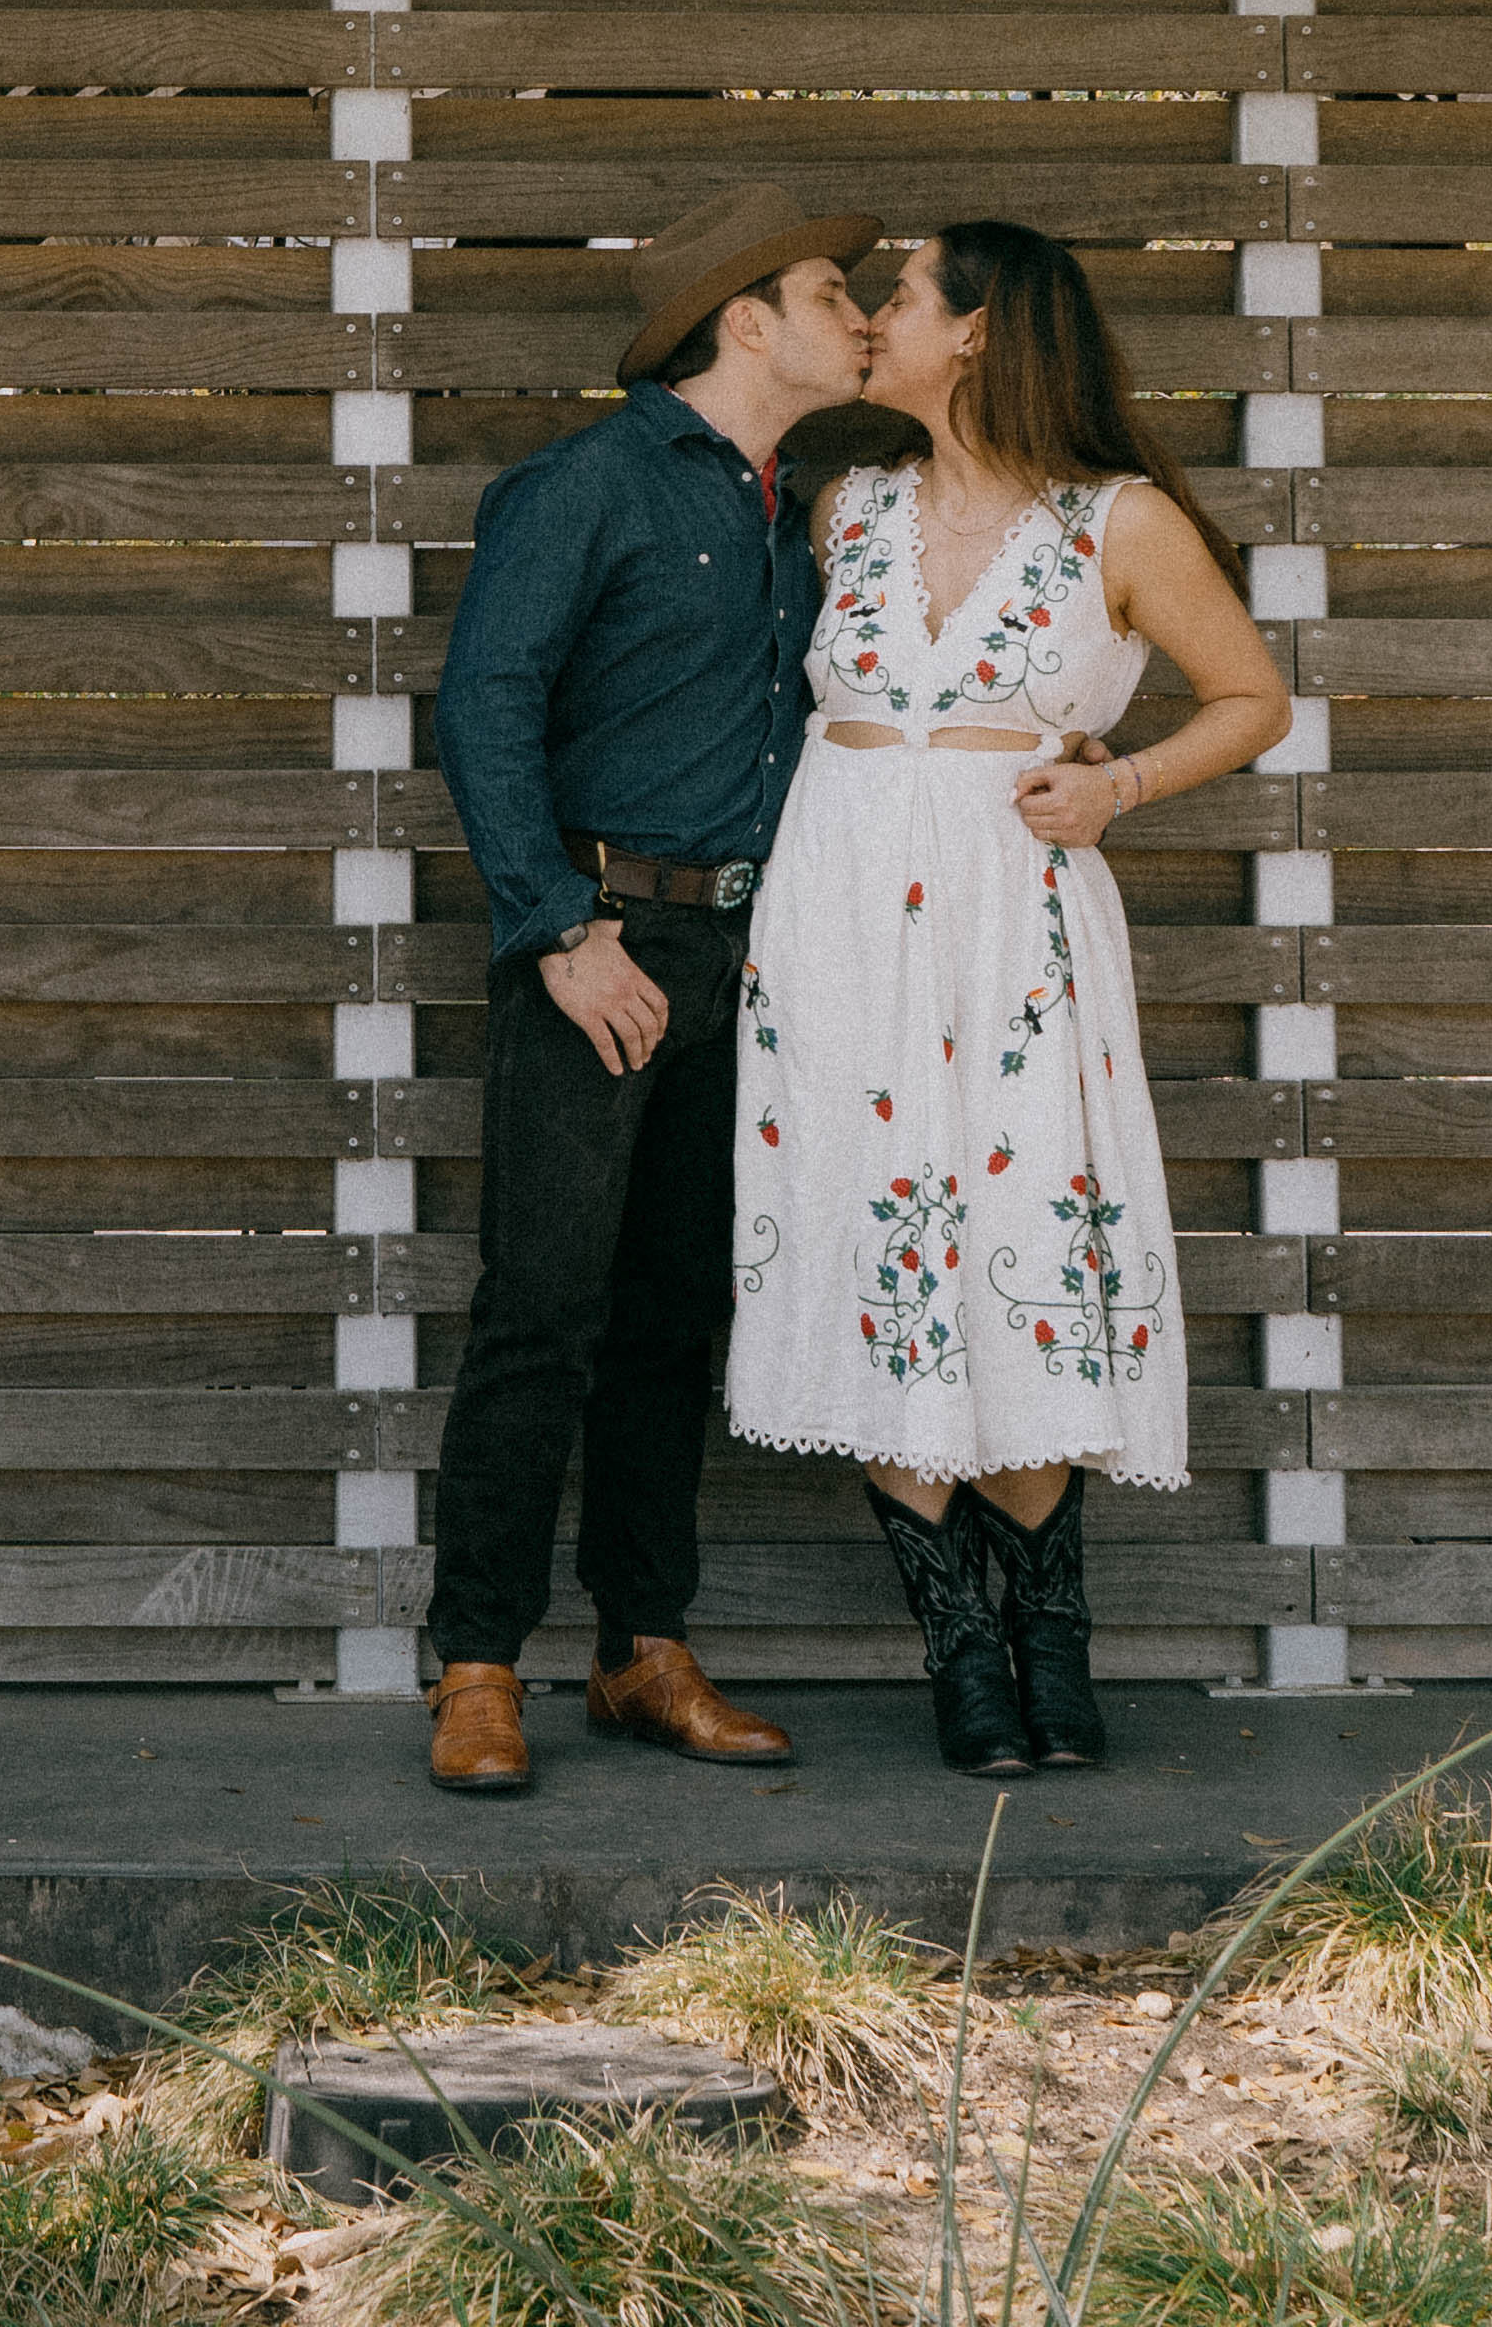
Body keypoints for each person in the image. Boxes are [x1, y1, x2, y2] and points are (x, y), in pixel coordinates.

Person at [727, 219, 1296, 1776]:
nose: (875, 323)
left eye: (898, 298)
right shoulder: (848, 508)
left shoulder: (1122, 525)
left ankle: (1050, 1628)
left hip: (1014, 923)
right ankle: (960, 1651)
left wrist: (1123, 784)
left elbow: (1254, 698)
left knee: (1026, 1239)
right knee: (871, 1235)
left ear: (974, 332)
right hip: (836, 920)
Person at [413, 180, 882, 1797]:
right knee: (542, 1310)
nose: (863, 316)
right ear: (745, 318)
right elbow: (483, 709)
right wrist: (559, 931)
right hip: (600, 946)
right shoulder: (587, 485)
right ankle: (477, 1668)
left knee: (678, 1314)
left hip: (754, 959)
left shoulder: (804, 509)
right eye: (835, 291)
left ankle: (640, 1653)